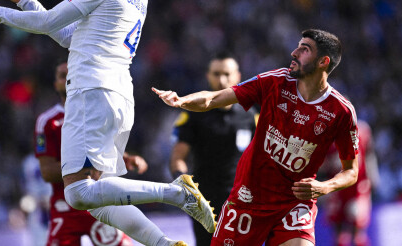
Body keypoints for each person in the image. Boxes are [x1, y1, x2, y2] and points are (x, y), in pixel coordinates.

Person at [0, 0, 216, 246]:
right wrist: (25, 0)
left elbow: (49, 22)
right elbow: (71, 38)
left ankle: (176, 193)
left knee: (78, 193)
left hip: (91, 91)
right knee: (99, 199)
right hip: (119, 96)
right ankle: (165, 244)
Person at [153, 29, 360, 246]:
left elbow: (351, 171)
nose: (294, 52)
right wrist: (181, 100)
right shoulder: (274, 82)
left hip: (294, 203)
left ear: (323, 62)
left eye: (304, 49)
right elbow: (212, 99)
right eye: (298, 46)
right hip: (248, 198)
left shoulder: (341, 111)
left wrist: (325, 186)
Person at [34, 62, 148, 246]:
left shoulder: (99, 113)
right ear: (56, 84)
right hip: (65, 209)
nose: (68, 79)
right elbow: (47, 172)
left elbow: (107, 150)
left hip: (101, 204)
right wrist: (92, 164)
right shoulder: (48, 122)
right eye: (62, 76)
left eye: (72, 74)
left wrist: (125, 158)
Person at [168, 53, 257, 246]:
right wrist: (184, 184)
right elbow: (178, 157)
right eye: (216, 74)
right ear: (208, 76)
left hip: (241, 200)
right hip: (204, 203)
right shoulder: (193, 115)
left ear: (238, 76)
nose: (221, 79)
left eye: (226, 73)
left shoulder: (251, 116)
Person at [323, 119, 379, 246]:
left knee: (357, 227)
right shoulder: (327, 133)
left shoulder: (363, 129)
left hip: (357, 187)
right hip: (336, 188)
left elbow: (369, 153)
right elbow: (320, 161)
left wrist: (373, 175)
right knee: (338, 233)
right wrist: (332, 164)